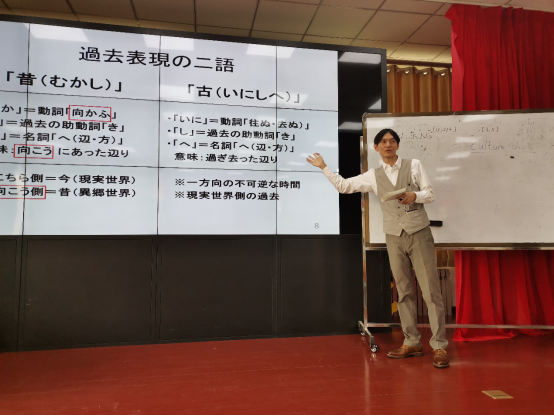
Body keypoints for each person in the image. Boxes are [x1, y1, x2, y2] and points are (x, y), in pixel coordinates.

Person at [307, 129, 450, 369]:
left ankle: (439, 346)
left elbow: (430, 193)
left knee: (431, 291)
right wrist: (324, 167)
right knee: (403, 291)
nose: (388, 145)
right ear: (376, 148)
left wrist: (414, 195)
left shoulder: (414, 165)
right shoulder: (373, 175)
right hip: (394, 236)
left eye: (392, 141)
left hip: (419, 233)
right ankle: (412, 342)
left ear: (398, 145)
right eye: (383, 142)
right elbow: (344, 186)